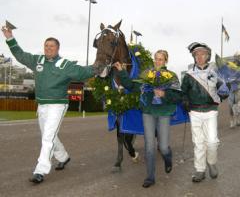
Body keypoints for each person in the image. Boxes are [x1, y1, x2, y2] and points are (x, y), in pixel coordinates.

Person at [1, 25, 106, 184]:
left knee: (48, 137)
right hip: (42, 105)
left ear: (57, 48)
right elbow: (20, 55)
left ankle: (40, 170)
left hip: (57, 105)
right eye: (46, 46)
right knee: (48, 136)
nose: (48, 48)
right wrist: (9, 38)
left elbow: (82, 72)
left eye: (52, 46)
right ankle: (63, 157)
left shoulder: (65, 64)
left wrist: (98, 68)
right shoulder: (37, 60)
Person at [114, 50, 182, 188]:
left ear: (166, 61)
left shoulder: (172, 77)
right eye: (156, 59)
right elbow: (131, 85)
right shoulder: (147, 75)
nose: (158, 62)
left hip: (164, 113)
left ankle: (168, 158)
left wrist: (164, 94)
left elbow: (177, 97)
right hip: (148, 113)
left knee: (163, 147)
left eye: (161, 59)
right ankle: (150, 177)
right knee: (149, 147)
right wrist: (121, 71)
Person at [181, 42, 224, 182]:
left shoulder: (215, 71)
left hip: (211, 110)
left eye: (202, 54)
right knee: (198, 142)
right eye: (196, 54)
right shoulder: (188, 74)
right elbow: (183, 91)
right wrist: (185, 100)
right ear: (194, 57)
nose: (199, 56)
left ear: (207, 56)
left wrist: (225, 91)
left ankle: (211, 162)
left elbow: (223, 89)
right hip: (194, 112)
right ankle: (200, 170)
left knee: (212, 141)